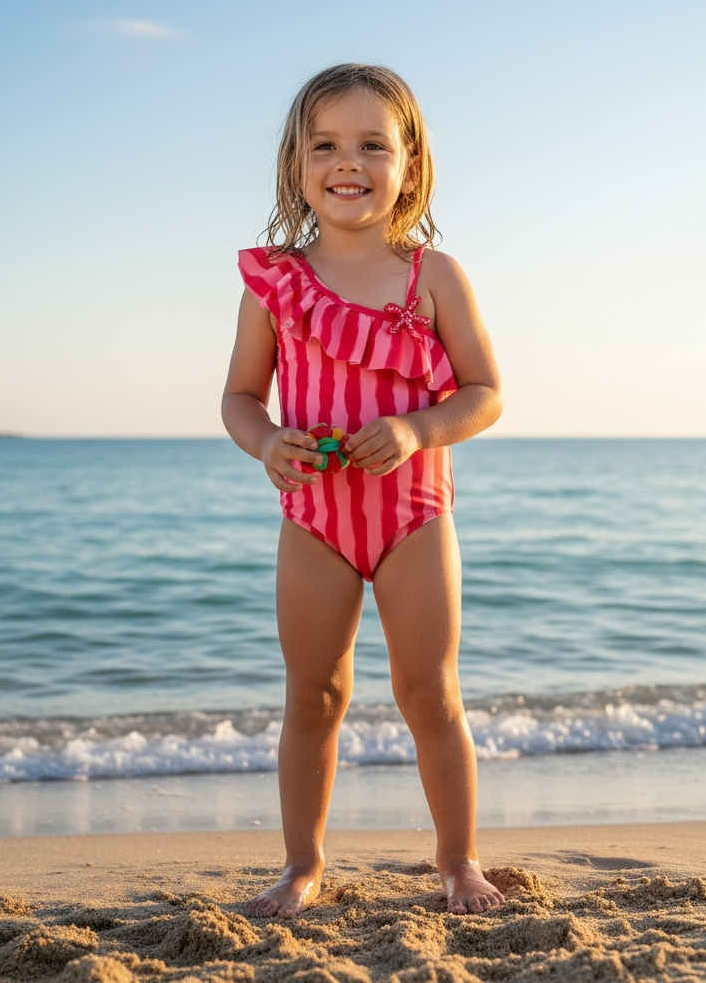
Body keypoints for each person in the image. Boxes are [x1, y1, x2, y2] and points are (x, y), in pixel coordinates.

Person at [221, 63, 504, 918]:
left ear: (409, 166)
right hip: (315, 519)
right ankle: (301, 866)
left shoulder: (433, 276)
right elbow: (240, 398)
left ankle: (458, 862)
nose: (349, 162)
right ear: (297, 166)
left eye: (373, 144)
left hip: (413, 515)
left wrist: (418, 429)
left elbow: (485, 393)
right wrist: (267, 442)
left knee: (431, 694)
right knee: (314, 696)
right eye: (326, 145)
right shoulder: (275, 283)